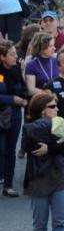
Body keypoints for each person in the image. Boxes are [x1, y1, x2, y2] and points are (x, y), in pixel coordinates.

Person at [23, 91, 64, 231]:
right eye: (52, 106)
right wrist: (54, 144)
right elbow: (31, 148)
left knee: (61, 221)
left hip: (60, 176)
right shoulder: (30, 127)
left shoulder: (61, 123)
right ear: (42, 110)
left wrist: (51, 148)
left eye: (56, 105)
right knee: (40, 223)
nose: (57, 109)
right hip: (38, 179)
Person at [0, 41, 28, 196]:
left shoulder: (17, 70)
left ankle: (8, 185)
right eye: (11, 54)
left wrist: (22, 99)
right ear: (2, 57)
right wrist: (12, 99)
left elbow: (23, 89)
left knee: (10, 149)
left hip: (15, 114)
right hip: (2, 112)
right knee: (1, 148)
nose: (16, 57)